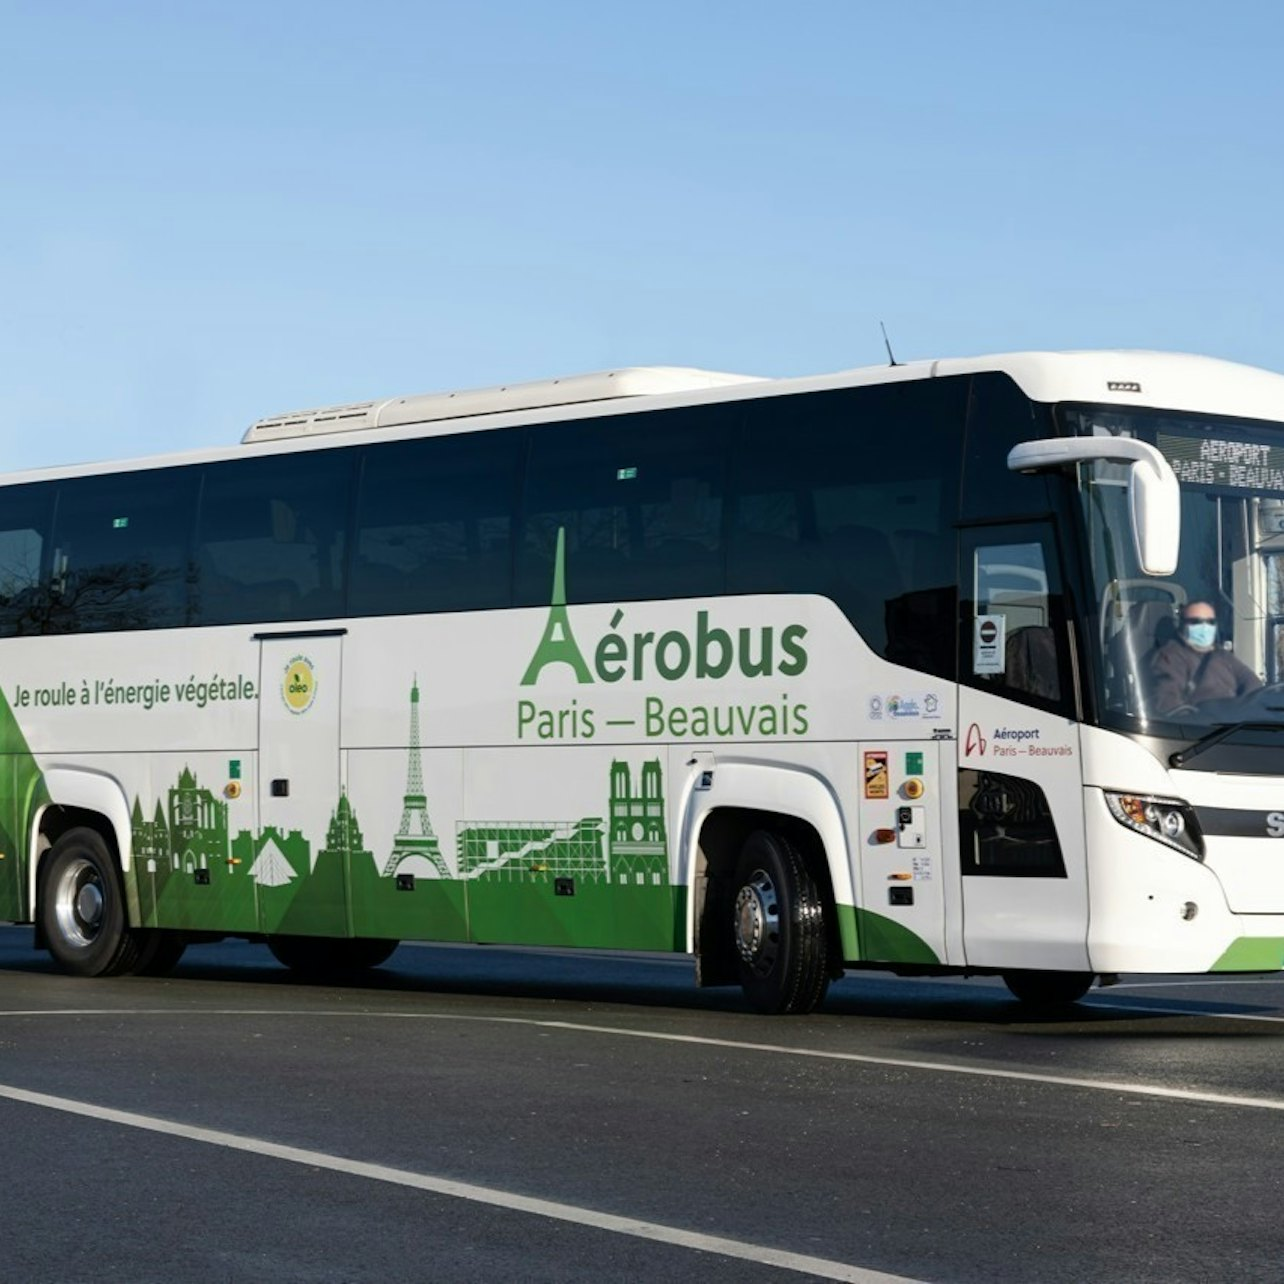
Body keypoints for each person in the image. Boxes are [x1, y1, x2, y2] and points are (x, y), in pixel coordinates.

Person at [1148, 600, 1262, 714]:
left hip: (1234, 722)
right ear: (1183, 624)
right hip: (1203, 726)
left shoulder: (1222, 654)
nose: (1204, 627)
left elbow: (1252, 683)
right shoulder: (1170, 656)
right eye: (1196, 622)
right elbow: (1168, 702)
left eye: (1210, 622)